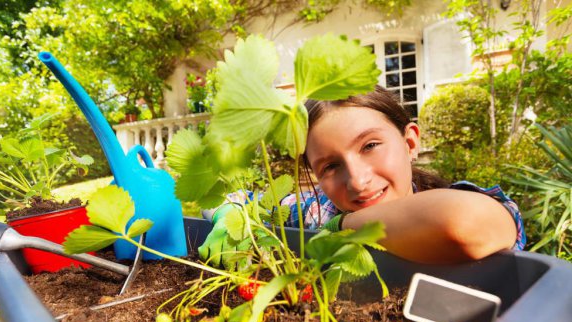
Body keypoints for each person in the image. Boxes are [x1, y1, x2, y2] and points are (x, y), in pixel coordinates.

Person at [202, 86, 525, 265]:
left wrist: (344, 227)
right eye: (330, 167)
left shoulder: (469, 203)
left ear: (410, 142)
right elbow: (241, 202)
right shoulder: (315, 212)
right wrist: (230, 212)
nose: (357, 181)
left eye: (370, 145)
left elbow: (463, 225)